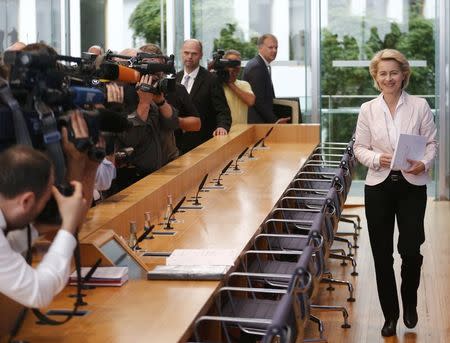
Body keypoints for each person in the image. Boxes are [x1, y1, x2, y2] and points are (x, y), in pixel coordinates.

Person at [354, 49, 437, 337]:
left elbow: (432, 144)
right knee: (381, 254)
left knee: (411, 251)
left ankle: (410, 301)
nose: (388, 78)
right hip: (378, 186)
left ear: (404, 75)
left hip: (412, 186)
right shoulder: (368, 109)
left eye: (394, 72)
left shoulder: (419, 105)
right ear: (376, 78)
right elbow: (359, 148)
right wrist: (378, 159)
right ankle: (391, 315)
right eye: (383, 73)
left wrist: (423, 163)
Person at [139, 43, 200, 163]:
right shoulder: (132, 89)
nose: (152, 73)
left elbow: (196, 124)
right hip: (140, 164)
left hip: (171, 160)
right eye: (147, 66)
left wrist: (172, 120)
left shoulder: (176, 89)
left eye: (155, 67)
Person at [176, 39, 231, 153]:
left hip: (203, 143)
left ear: (201, 55)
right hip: (176, 144)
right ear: (181, 53)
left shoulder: (211, 80)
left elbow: (223, 111)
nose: (190, 56)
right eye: (186, 53)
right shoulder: (175, 78)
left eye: (194, 53)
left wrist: (222, 127)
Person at [243, 34, 289, 124]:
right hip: (257, 124)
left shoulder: (262, 65)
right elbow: (258, 101)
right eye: (270, 47)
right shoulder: (256, 67)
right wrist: (275, 121)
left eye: (276, 47)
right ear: (260, 48)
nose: (274, 50)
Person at [222, 49, 255, 126]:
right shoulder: (217, 85)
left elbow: (251, 101)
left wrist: (230, 83)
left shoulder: (244, 84)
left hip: (241, 132)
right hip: (223, 132)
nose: (233, 65)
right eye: (230, 62)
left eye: (236, 63)